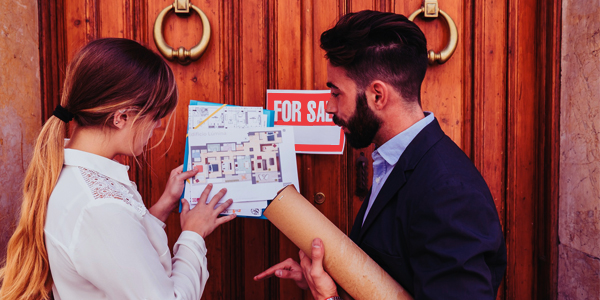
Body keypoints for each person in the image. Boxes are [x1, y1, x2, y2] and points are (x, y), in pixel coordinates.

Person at [254, 10, 507, 300]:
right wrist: (332, 281)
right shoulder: (396, 160)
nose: (328, 107)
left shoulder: (450, 193)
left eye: (336, 93)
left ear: (377, 95)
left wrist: (329, 299)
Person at [0, 38, 236, 300]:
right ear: (121, 117)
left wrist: (163, 206)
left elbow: (119, 253)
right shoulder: (99, 207)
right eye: (155, 114)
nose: (157, 125)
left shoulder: (79, 178)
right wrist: (193, 234)